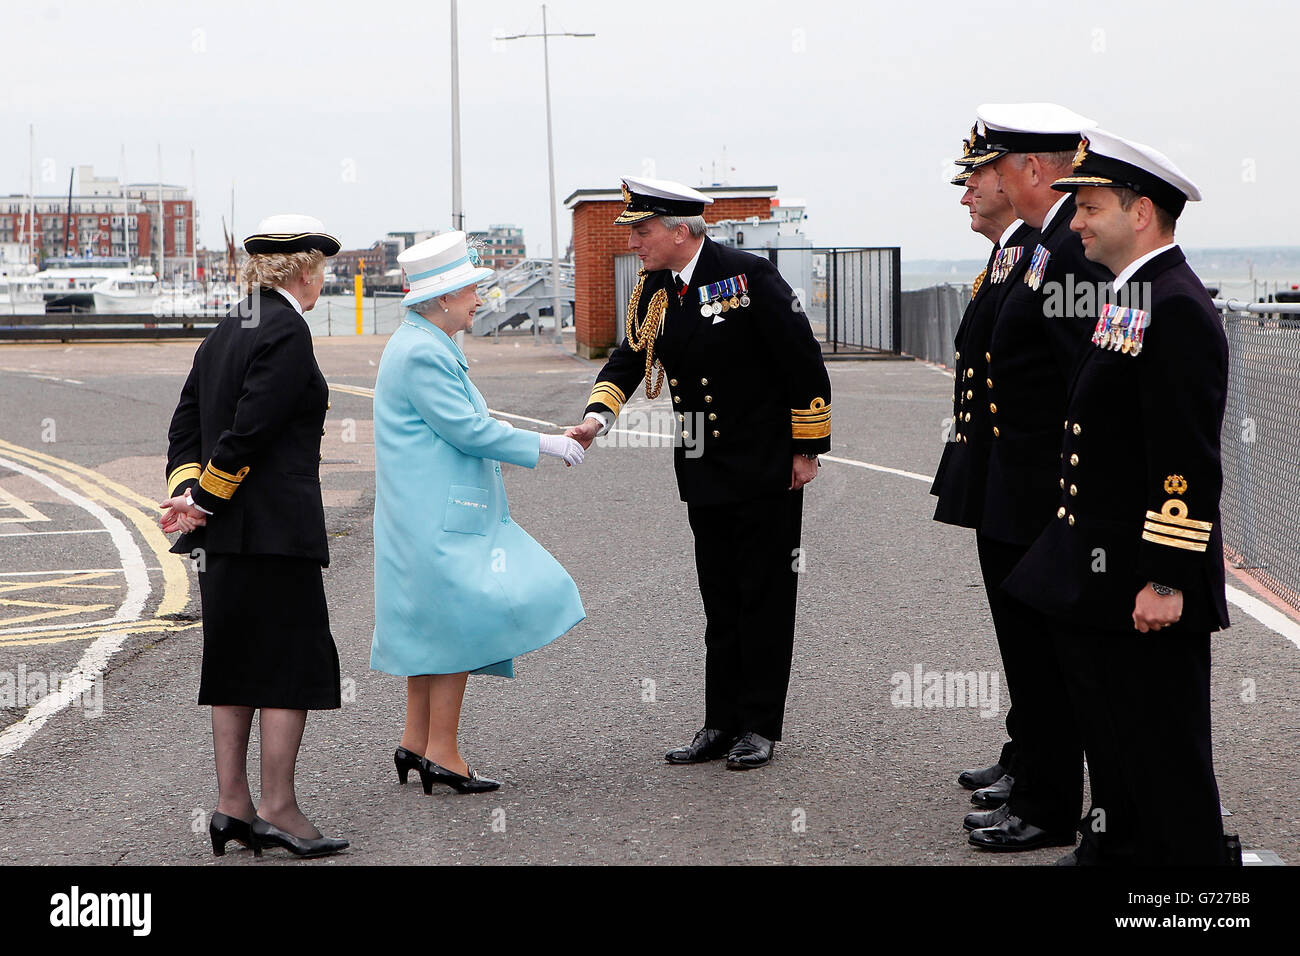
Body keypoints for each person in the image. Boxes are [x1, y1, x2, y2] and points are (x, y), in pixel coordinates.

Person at [1003, 130, 1235, 865]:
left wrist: (1167, 578)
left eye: (1091, 207)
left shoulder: (1176, 306)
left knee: (1165, 757)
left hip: (1145, 579)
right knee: (1117, 741)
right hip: (1101, 571)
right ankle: (1116, 853)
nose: (1076, 223)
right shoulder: (1133, 295)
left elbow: (1185, 461)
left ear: (1141, 213)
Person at [564, 176, 831, 770]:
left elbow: (801, 358)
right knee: (720, 597)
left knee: (763, 595)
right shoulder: (655, 288)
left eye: (643, 230)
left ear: (681, 231)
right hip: (703, 464)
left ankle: (759, 725)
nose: (635, 241)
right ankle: (720, 721)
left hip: (764, 464)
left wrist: (808, 449)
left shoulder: (748, 276)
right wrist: (596, 418)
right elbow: (631, 358)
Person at [370, 231, 586, 795]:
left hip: (426, 514)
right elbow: (467, 429)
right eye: (470, 290)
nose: (479, 300)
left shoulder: (421, 342)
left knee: (432, 629)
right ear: (442, 298)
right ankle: (443, 752)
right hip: (437, 518)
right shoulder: (423, 350)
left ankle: (416, 742)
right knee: (460, 627)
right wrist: (546, 444)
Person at [161, 213, 348, 858]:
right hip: (274, 530)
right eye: (322, 268)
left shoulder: (226, 328)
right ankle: (279, 807)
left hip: (226, 537)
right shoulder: (287, 331)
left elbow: (186, 423)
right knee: (288, 668)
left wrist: (191, 495)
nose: (322, 279)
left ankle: (232, 806)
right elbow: (253, 429)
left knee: (236, 664)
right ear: (303, 268)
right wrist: (205, 499)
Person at [961, 103, 1114, 853]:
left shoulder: (1066, 251)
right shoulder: (1043, 248)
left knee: (1050, 660)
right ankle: (1039, 786)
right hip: (1016, 487)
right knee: (1033, 653)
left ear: (1031, 170)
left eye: (994, 167)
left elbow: (1081, 379)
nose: (984, 181)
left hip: (1043, 493)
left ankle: (1049, 805)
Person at [929, 127, 1038, 829]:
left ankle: (1041, 765)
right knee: (1019, 636)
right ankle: (1026, 749)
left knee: (1036, 637)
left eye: (978, 175)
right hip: (997, 471)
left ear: (1021, 176)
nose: (966, 190)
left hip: (1029, 480)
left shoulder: (1041, 260)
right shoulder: (1006, 260)